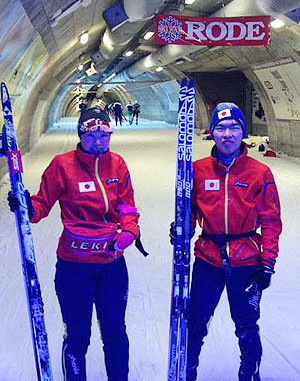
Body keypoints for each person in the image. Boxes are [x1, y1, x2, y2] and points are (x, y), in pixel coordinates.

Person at [8, 107, 140, 381]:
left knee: (115, 332)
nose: (99, 140)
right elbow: (41, 204)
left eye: (104, 134)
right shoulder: (62, 165)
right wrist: (26, 206)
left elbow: (127, 205)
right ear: (81, 134)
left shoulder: (117, 164)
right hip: (74, 266)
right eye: (92, 134)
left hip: (111, 264)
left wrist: (130, 229)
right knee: (78, 335)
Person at [171, 102, 282, 381]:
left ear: (243, 132)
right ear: (212, 132)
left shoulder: (259, 173)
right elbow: (192, 211)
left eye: (234, 127)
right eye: (221, 127)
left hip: (246, 260)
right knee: (195, 322)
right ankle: (188, 370)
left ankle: (249, 373)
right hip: (208, 258)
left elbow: (271, 220)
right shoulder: (198, 170)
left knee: (246, 325)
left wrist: (267, 263)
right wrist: (182, 228)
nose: (227, 134)